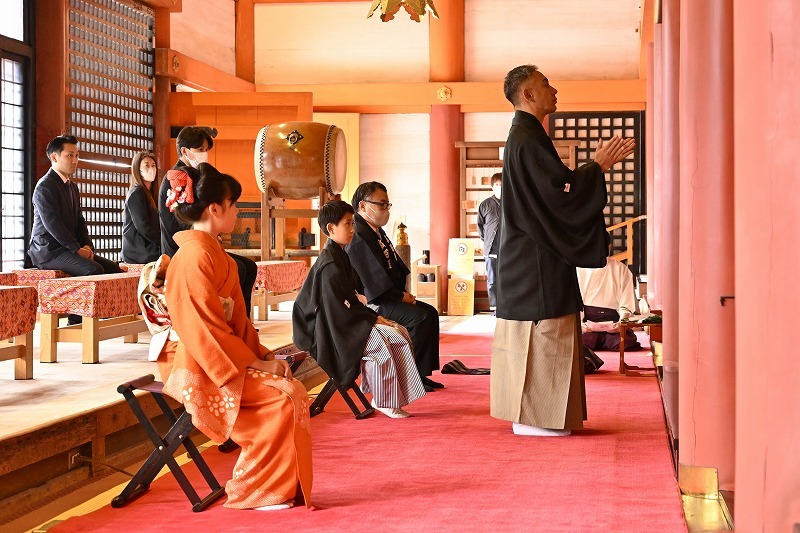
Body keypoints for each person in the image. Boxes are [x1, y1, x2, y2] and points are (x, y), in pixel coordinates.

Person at [491, 65, 635, 437]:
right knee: (543, 337)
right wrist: (597, 166)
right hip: (534, 262)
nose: (554, 90)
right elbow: (560, 194)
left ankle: (542, 416)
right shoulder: (525, 139)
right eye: (545, 84)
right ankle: (536, 417)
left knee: (550, 338)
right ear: (528, 94)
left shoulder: (528, 137)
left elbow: (558, 191)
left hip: (536, 257)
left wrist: (590, 171)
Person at [161, 162, 311, 510]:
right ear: (215, 209)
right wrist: (255, 363)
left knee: (289, 388)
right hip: (198, 361)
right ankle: (251, 490)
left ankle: (276, 487)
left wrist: (265, 358)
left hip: (222, 354)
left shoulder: (214, 254)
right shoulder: (193, 257)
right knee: (279, 399)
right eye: (233, 205)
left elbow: (238, 323)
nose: (237, 212)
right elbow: (204, 330)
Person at [293, 200, 426, 419]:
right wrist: (372, 320)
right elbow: (338, 310)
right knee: (384, 343)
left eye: (353, 223)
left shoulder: (340, 254)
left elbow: (350, 300)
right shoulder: (329, 266)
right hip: (330, 331)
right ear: (331, 229)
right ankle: (383, 400)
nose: (353, 229)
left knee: (399, 332)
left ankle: (394, 397)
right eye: (347, 224)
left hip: (347, 321)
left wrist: (374, 317)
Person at [345, 182, 443, 392]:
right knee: (420, 318)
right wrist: (399, 297)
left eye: (387, 205)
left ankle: (420, 374)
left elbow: (392, 266)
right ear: (363, 206)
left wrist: (401, 294)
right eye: (381, 205)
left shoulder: (375, 230)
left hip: (388, 296)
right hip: (373, 302)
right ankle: (410, 377)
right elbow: (372, 278)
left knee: (430, 313)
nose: (386, 210)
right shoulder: (360, 234)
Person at [158, 126, 257, 318]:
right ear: (184, 150)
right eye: (200, 149)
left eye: (206, 150)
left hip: (205, 240)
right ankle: (227, 319)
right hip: (181, 245)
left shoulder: (197, 174)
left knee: (248, 267)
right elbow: (178, 220)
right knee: (240, 268)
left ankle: (241, 319)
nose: (204, 154)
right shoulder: (176, 177)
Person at [28, 135, 123, 324]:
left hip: (68, 248)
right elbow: (52, 223)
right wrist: (75, 248)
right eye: (69, 155)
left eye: (77, 155)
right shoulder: (45, 186)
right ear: (54, 157)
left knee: (114, 269)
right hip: (48, 251)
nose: (75, 160)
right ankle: (77, 319)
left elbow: (80, 222)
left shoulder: (72, 187)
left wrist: (87, 245)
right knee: (93, 269)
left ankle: (103, 312)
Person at [577, 249, 641, 352]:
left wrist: (622, 322)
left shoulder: (620, 268)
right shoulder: (579, 269)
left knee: (626, 342)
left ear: (608, 246)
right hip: (588, 324)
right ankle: (598, 340)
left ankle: (601, 340)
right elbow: (576, 302)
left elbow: (627, 300)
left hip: (614, 324)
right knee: (580, 340)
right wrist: (580, 323)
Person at [122, 152, 161, 264]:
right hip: (138, 249)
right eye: (146, 165)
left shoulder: (151, 193)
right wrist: (161, 241)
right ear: (138, 170)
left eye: (153, 165)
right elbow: (143, 227)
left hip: (149, 245)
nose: (151, 169)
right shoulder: (136, 193)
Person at [476, 173, 502, 312]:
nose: (500, 187)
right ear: (492, 187)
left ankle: (507, 307)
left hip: (507, 249)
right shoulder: (485, 204)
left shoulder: (511, 203)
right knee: (492, 280)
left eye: (502, 185)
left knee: (507, 279)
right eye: (497, 185)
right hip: (491, 248)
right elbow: (480, 226)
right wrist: (486, 241)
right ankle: (495, 307)